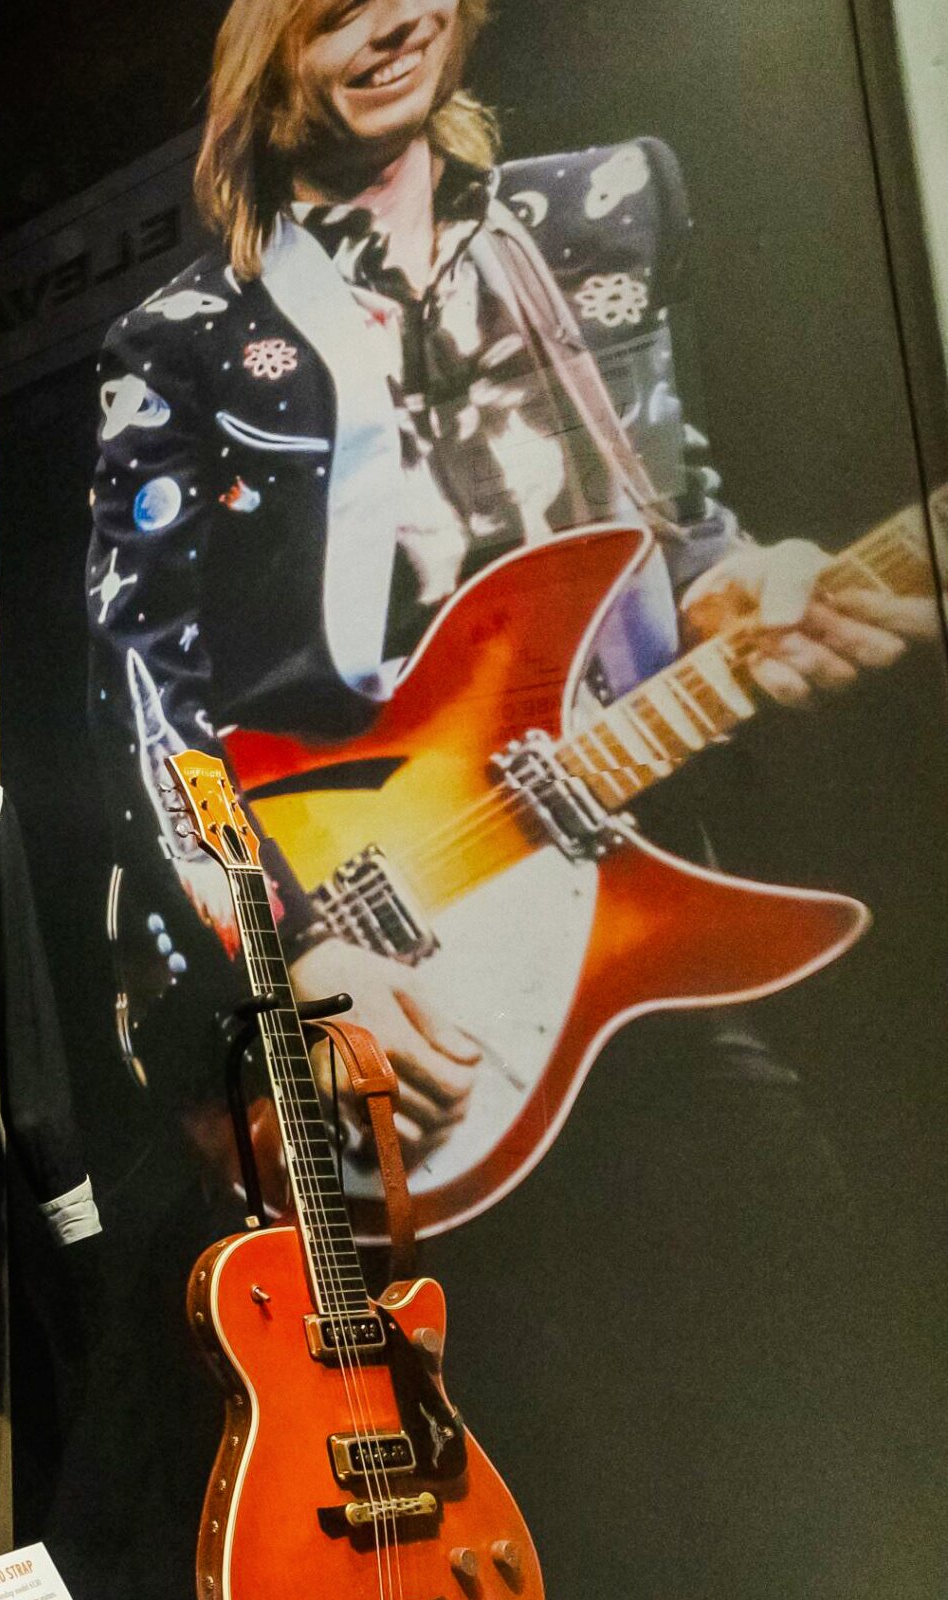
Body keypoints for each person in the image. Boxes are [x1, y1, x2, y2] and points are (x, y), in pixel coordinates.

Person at [76, 0, 934, 1592]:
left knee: (787, 1369)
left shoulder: (599, 209)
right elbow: (147, 691)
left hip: (616, 898)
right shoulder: (191, 334)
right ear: (264, 46)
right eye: (332, 5)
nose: (391, 17)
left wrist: (750, 586)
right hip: (351, 929)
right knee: (450, 1437)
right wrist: (292, 956)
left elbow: (667, 523)